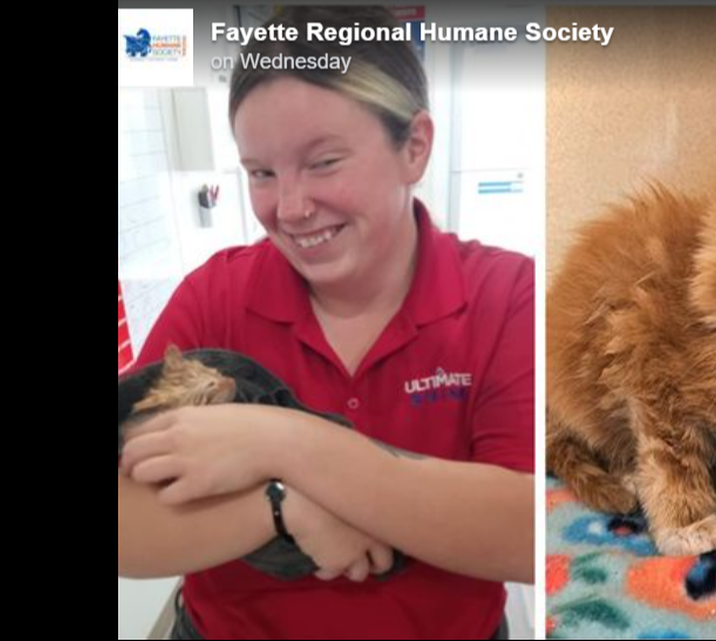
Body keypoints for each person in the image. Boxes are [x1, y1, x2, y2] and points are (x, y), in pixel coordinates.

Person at [117, 6, 535, 639]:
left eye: (324, 162)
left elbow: (528, 532)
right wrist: (281, 509)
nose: (289, 207)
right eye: (261, 172)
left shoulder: (507, 295)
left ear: (414, 148)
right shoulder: (216, 298)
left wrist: (283, 443)